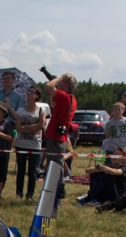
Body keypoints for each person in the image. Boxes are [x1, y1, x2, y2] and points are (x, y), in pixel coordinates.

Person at [44, 71, 78, 199]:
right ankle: (55, 190)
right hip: (57, 135)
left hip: (56, 137)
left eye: (62, 82)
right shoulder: (68, 98)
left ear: (67, 85)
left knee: (55, 166)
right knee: (53, 164)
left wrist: (60, 77)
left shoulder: (65, 97)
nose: (59, 83)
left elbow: (48, 86)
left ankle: (59, 190)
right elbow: (53, 104)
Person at [14, 87, 45, 201]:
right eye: (28, 91)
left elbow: (41, 125)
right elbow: (18, 127)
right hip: (21, 144)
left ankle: (30, 195)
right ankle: (19, 193)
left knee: (32, 172)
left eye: (31, 92)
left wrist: (25, 127)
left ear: (37, 96)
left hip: (35, 146)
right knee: (20, 171)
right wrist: (32, 127)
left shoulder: (41, 110)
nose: (28, 93)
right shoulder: (21, 110)